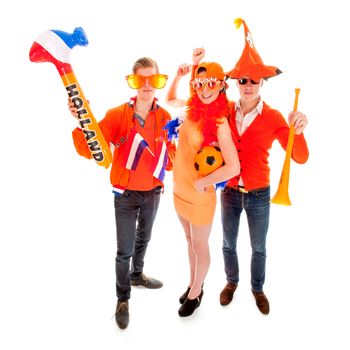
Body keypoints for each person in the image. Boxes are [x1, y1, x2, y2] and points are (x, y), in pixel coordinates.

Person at [68, 57, 176, 329]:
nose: (148, 85)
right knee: (123, 251)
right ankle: (122, 298)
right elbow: (92, 146)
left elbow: (170, 158)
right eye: (141, 80)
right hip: (125, 196)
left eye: (154, 80)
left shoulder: (164, 117)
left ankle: (137, 276)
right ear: (134, 82)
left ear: (159, 82)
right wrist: (83, 117)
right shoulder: (118, 115)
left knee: (145, 238)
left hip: (153, 192)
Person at [219, 18, 309, 314]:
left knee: (259, 247)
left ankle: (257, 289)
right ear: (236, 83)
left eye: (253, 80)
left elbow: (300, 157)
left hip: (259, 194)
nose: (247, 85)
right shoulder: (226, 113)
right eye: (242, 80)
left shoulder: (272, 117)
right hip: (229, 191)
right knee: (228, 243)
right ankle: (231, 282)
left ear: (262, 83)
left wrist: (300, 128)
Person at [166, 48, 240, 317]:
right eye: (200, 84)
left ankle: (196, 292)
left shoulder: (220, 122)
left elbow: (234, 166)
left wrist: (205, 182)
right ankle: (191, 282)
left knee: (200, 245)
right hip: (179, 188)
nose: (205, 89)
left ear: (221, 86)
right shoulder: (191, 108)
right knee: (188, 240)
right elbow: (170, 97)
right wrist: (180, 74)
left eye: (211, 84)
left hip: (199, 194)